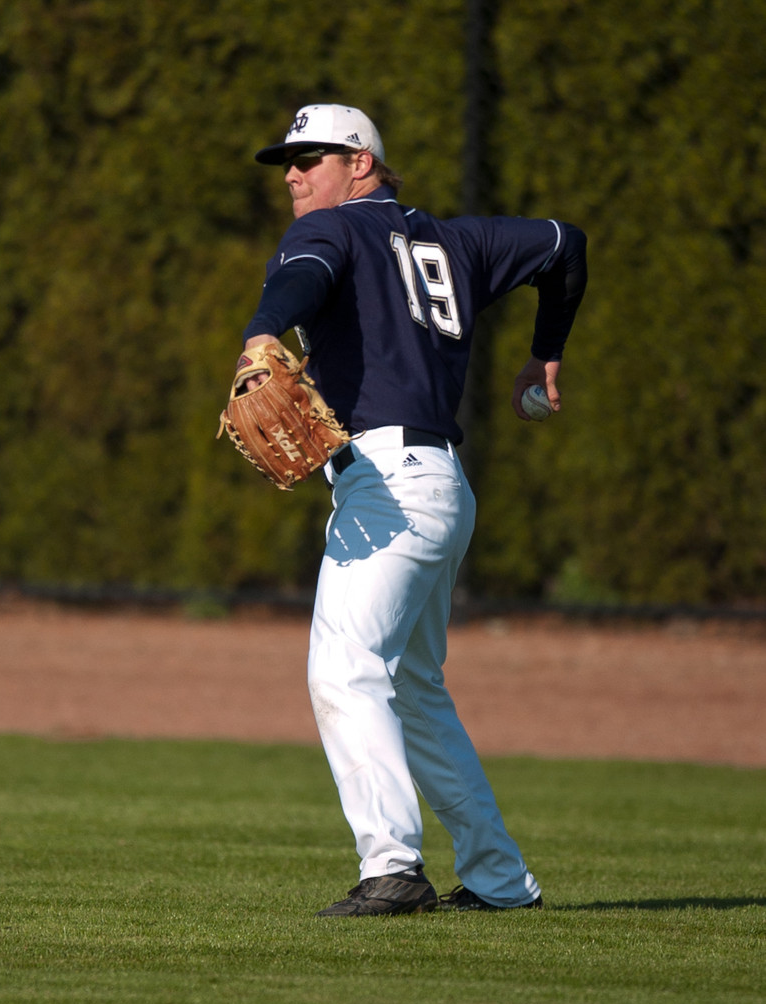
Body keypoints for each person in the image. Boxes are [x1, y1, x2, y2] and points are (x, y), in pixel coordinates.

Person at [240, 104, 587, 916]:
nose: (294, 174)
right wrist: (545, 352)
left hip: (388, 483)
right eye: (288, 162)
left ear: (360, 162)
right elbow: (564, 244)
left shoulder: (329, 229)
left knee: (344, 669)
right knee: (411, 688)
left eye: (312, 157)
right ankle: (500, 882)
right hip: (440, 484)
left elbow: (302, 275)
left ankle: (391, 867)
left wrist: (262, 331)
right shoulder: (458, 241)